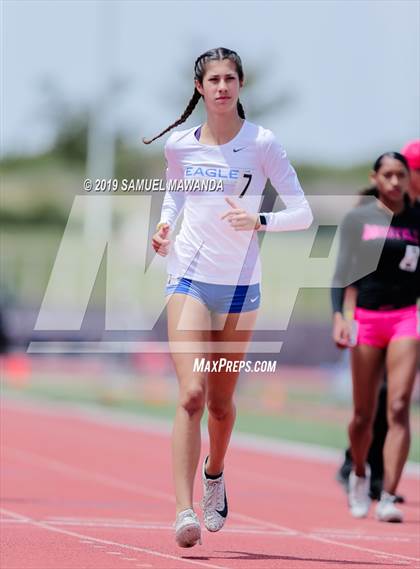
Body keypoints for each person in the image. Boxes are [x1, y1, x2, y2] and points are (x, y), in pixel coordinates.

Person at [143, 47, 313, 547]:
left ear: (241, 85)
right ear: (200, 87)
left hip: (240, 287)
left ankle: (215, 472)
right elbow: (175, 193)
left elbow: (302, 212)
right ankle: (183, 509)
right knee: (191, 395)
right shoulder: (179, 145)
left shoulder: (262, 143)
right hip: (188, 279)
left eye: (230, 79)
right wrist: (164, 226)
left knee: (220, 404)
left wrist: (259, 219)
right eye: (213, 79)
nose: (221, 87)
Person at [332, 152, 420, 523]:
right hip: (367, 319)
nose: (396, 182)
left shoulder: (418, 217)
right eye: (388, 175)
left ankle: (387, 495)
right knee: (362, 415)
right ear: (376, 178)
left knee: (399, 406)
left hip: (406, 318)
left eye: (401, 175)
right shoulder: (358, 218)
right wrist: (340, 315)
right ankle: (359, 474)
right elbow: (342, 274)